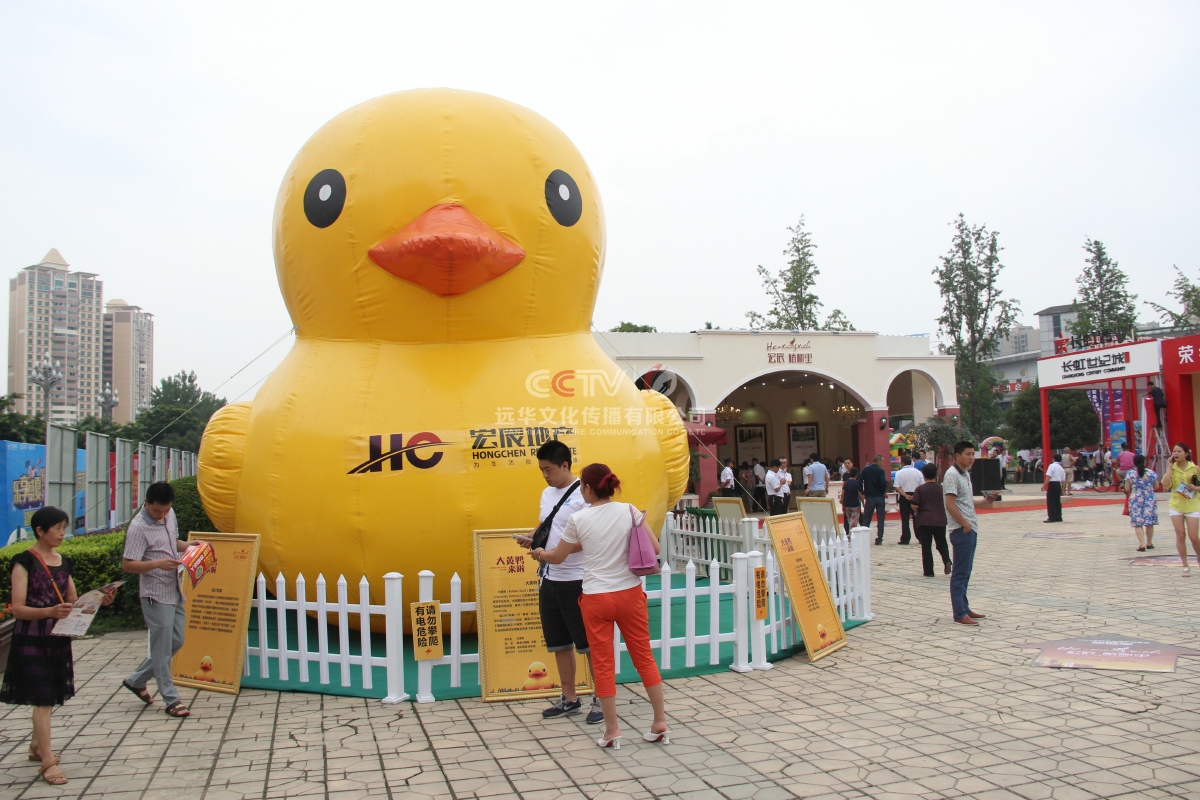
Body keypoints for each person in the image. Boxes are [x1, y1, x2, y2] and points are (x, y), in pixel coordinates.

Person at [531, 464, 669, 749]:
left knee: (603, 664)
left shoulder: (579, 519)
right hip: (630, 594)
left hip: (596, 597)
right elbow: (655, 549)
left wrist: (540, 552)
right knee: (644, 658)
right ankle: (659, 722)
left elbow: (557, 557)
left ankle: (612, 730)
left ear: (588, 488)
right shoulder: (630, 510)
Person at [2, 507, 113, 786]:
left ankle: (36, 747)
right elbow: (18, 608)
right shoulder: (23, 561)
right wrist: (49, 612)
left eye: (65, 527)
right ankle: (47, 761)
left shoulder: (63, 561)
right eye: (58, 528)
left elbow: (73, 601)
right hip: (32, 636)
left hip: (57, 636)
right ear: (40, 531)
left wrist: (99, 600)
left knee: (48, 695)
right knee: (42, 698)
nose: (63, 533)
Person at [516, 441, 600, 723]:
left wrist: (554, 553)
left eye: (549, 469)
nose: (545, 475)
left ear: (565, 465)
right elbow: (548, 522)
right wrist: (533, 536)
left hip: (578, 579)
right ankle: (569, 698)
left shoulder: (583, 495)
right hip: (549, 578)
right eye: (541, 470)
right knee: (559, 643)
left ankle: (602, 698)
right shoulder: (547, 493)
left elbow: (590, 538)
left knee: (588, 644)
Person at [121, 481, 204, 718]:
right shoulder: (138, 528)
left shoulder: (169, 514)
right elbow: (128, 564)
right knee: (162, 647)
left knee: (176, 640)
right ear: (146, 503)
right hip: (155, 593)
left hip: (173, 588)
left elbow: (171, 543)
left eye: (166, 510)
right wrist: (157, 564)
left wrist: (188, 547)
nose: (161, 515)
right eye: (157, 511)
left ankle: (136, 680)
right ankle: (171, 698)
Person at [944, 441, 985, 625]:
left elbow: (965, 501)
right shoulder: (952, 474)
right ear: (957, 456)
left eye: (973, 454)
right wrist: (965, 525)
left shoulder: (965, 474)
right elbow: (949, 504)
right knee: (960, 573)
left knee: (966, 571)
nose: (971, 458)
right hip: (961, 530)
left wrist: (984, 502)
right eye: (968, 454)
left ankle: (965, 607)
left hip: (970, 528)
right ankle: (959, 613)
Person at [1163, 443, 1200, 577]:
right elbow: (1166, 484)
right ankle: (1185, 565)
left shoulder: (1194, 468)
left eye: (1179, 451)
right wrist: (1169, 467)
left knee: (1194, 537)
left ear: (1186, 453)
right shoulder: (1172, 468)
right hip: (1176, 505)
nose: (1176, 454)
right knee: (1180, 535)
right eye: (1174, 451)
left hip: (1192, 505)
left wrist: (1196, 488)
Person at [909, 463, 952, 577]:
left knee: (926, 546)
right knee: (941, 542)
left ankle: (929, 571)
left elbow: (915, 505)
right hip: (940, 519)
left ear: (923, 475)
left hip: (925, 520)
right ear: (936, 474)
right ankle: (947, 560)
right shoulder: (942, 488)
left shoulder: (920, 489)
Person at [1124, 453, 1158, 552]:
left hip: (1135, 498)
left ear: (1134, 463)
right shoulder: (1151, 473)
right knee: (1149, 522)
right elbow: (1156, 486)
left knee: (1138, 523)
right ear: (1144, 462)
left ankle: (1142, 544)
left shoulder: (1130, 474)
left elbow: (1127, 489)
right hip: (1149, 498)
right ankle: (1149, 543)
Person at [893, 456, 924, 545]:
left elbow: (897, 486)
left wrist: (905, 495)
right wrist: (915, 495)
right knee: (917, 518)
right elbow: (922, 485)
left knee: (905, 518)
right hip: (916, 496)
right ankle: (920, 537)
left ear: (902, 463)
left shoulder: (899, 473)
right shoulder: (918, 472)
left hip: (904, 496)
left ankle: (905, 538)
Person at [859, 455, 889, 545]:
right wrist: (883, 492)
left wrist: (862, 492)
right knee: (880, 518)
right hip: (879, 496)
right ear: (878, 461)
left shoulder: (866, 470)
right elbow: (883, 482)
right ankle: (879, 538)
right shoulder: (881, 471)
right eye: (882, 462)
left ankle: (864, 537)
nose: (882, 464)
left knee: (866, 518)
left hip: (870, 497)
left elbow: (859, 481)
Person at [840, 467, 863, 535]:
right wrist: (863, 502)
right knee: (854, 521)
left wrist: (842, 504)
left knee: (849, 520)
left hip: (847, 504)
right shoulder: (857, 483)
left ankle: (849, 533)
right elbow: (860, 494)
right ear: (857, 474)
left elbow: (843, 494)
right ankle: (851, 534)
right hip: (855, 504)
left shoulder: (846, 483)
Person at [1043, 457, 1066, 523]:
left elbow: (1048, 476)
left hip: (1052, 484)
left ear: (1053, 459)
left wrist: (1044, 485)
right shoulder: (1061, 468)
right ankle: (1058, 516)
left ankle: (1051, 517)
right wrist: (1063, 490)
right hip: (1058, 485)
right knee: (1057, 501)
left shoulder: (1052, 466)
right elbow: (1063, 481)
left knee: (1051, 501)